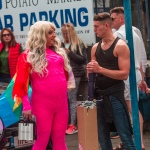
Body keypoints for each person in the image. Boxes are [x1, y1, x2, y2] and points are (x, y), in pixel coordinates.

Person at [12, 21, 71, 150]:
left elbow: (66, 77)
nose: (54, 35)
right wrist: (26, 105)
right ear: (40, 35)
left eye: (54, 32)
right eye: (50, 32)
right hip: (42, 104)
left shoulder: (59, 52)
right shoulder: (27, 56)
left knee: (60, 140)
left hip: (61, 104)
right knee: (42, 140)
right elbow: (21, 83)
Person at [87, 12, 136, 150]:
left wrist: (100, 69)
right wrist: (90, 72)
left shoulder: (120, 46)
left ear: (106, 25)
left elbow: (124, 74)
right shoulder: (95, 47)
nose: (94, 30)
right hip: (99, 96)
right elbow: (92, 74)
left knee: (125, 136)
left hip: (115, 95)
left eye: (97, 26)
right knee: (102, 138)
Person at [110, 7, 147, 150]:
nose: (111, 21)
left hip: (127, 75)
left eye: (113, 18)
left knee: (131, 109)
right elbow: (141, 55)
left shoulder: (120, 34)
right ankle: (134, 141)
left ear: (121, 19)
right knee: (132, 108)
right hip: (135, 73)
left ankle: (137, 142)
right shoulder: (135, 32)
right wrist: (142, 77)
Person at [61, 23, 87, 134]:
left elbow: (83, 59)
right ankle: (66, 123)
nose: (65, 35)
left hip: (75, 74)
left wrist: (70, 53)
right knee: (64, 99)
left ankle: (72, 124)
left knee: (72, 99)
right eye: (63, 33)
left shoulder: (78, 43)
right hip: (63, 74)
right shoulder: (61, 44)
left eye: (66, 33)